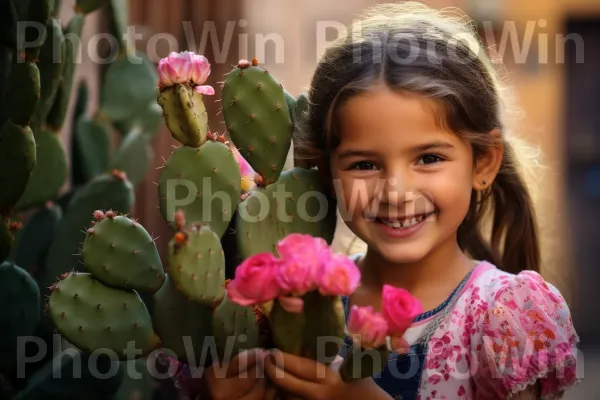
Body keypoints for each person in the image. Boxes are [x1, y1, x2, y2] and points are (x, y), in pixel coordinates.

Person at [255, 1, 580, 399]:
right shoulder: (298, 301)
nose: (395, 191)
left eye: (429, 158)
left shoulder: (504, 316)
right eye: (364, 164)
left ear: (484, 162)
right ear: (325, 171)